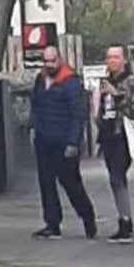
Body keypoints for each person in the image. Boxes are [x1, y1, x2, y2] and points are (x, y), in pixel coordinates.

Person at [28, 44, 96, 239]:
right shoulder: (40, 80)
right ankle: (52, 223)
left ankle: (87, 217)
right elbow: (36, 104)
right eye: (46, 61)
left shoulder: (70, 82)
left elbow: (78, 114)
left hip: (64, 142)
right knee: (46, 183)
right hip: (44, 140)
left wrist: (73, 142)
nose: (49, 65)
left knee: (71, 183)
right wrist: (34, 127)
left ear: (60, 59)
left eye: (52, 61)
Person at [94, 45, 134, 242]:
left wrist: (117, 96)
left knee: (117, 175)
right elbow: (101, 110)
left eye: (116, 57)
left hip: (123, 135)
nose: (112, 61)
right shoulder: (105, 81)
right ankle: (124, 217)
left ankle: (126, 221)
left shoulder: (131, 81)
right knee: (114, 178)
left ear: (124, 60)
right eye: (109, 57)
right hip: (108, 134)